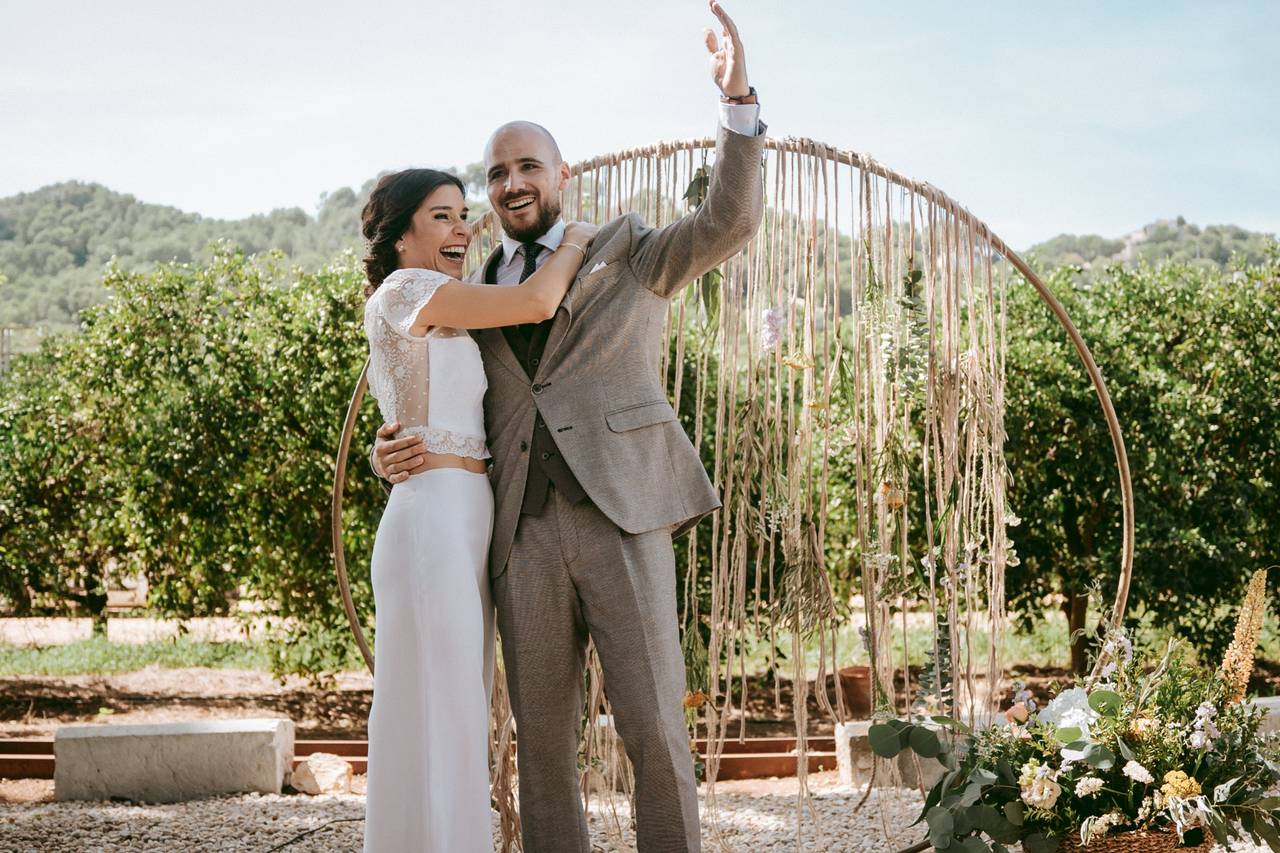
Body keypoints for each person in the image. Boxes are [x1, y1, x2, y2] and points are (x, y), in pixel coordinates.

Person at [372, 2, 764, 850]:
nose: (511, 183)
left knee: (656, 730)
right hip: (518, 535)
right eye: (496, 172)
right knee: (543, 753)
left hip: (622, 513)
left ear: (562, 173)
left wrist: (737, 101)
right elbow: (431, 394)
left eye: (527, 166)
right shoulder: (466, 288)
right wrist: (388, 444)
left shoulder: (628, 246)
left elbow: (729, 222)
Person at [358, 165, 596, 853]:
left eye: (463, 214)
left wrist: (390, 447)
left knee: (449, 707)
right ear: (401, 238)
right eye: (441, 215)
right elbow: (535, 301)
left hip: (462, 515)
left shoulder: (438, 300)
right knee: (445, 712)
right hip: (432, 519)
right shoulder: (412, 287)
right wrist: (576, 237)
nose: (462, 228)